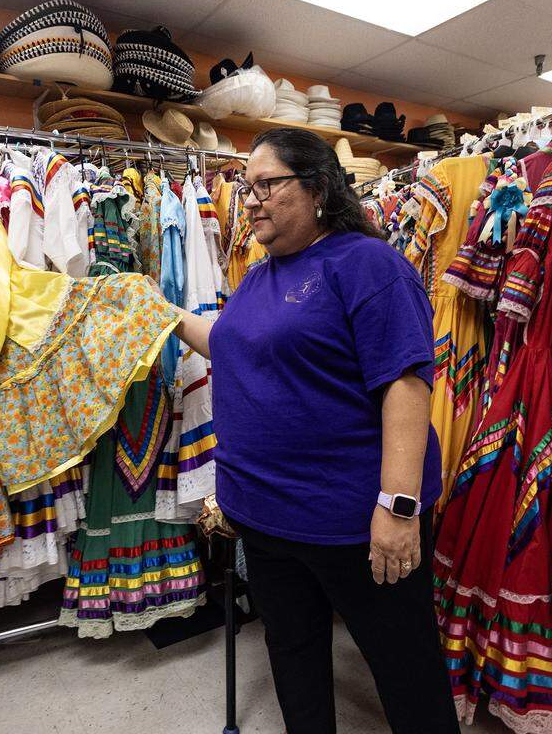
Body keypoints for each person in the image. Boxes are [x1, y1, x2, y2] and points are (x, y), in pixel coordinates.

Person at [165, 127, 458, 734]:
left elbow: (405, 384)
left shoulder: (370, 265)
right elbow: (228, 342)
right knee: (294, 661)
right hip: (265, 520)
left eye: (266, 184)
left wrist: (399, 509)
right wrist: (161, 314)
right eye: (247, 187)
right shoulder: (260, 276)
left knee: (407, 675)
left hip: (352, 524)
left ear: (318, 188)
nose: (249, 200)